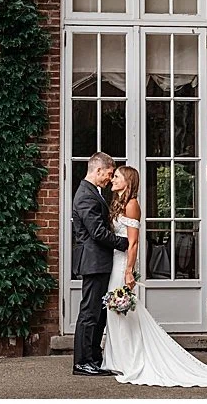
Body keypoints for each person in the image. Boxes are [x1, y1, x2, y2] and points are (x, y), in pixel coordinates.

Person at [101, 166, 207, 387]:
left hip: (123, 263)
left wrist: (128, 271)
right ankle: (117, 358)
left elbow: (133, 243)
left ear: (128, 181)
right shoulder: (119, 203)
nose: (112, 179)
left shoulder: (132, 205)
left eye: (117, 177)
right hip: (114, 260)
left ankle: (130, 361)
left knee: (121, 310)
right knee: (116, 311)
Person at [72, 152, 129, 376]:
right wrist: (123, 243)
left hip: (100, 261)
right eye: (108, 174)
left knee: (99, 312)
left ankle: (94, 358)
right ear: (97, 170)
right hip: (93, 261)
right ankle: (82, 362)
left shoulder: (94, 192)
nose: (109, 178)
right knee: (89, 313)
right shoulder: (85, 195)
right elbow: (96, 232)